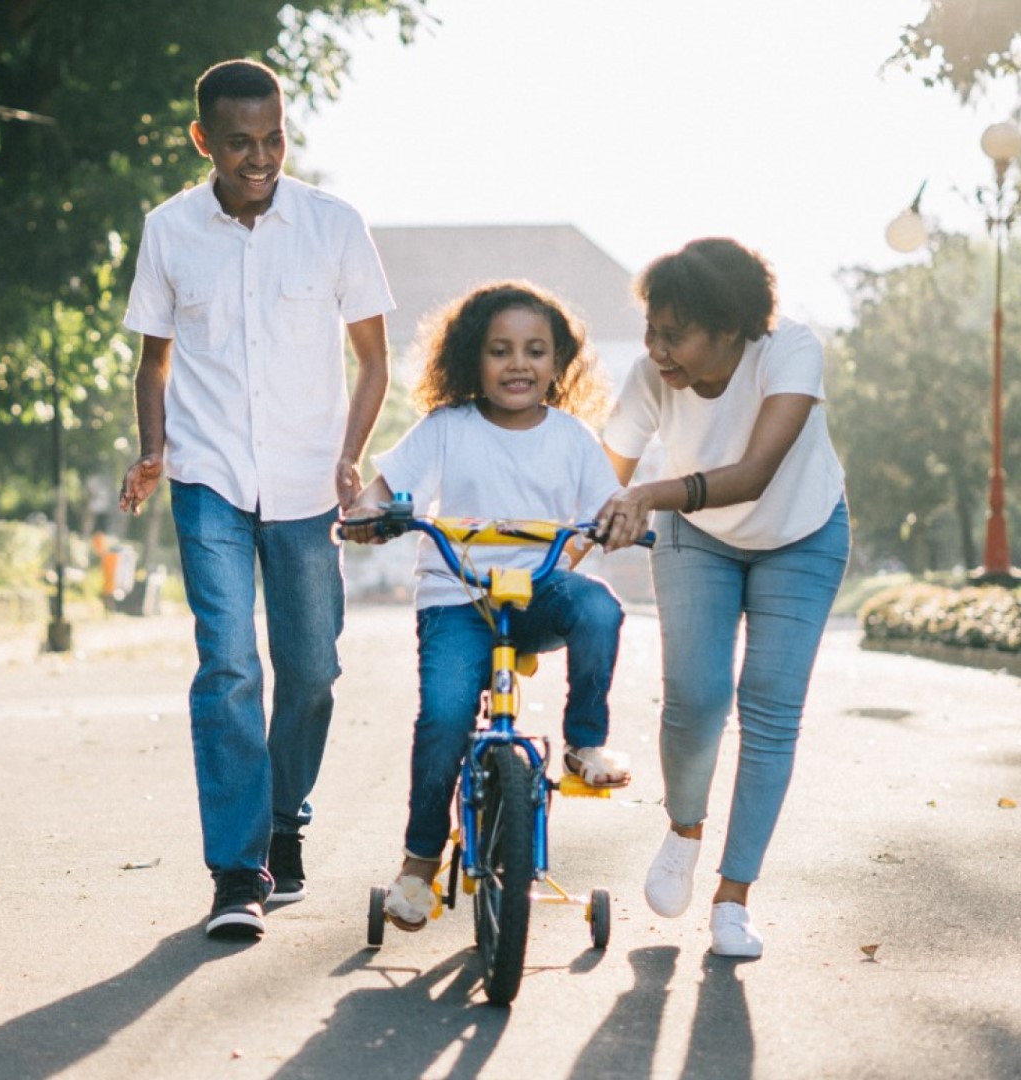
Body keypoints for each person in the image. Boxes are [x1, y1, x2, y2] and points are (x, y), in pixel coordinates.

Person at [118, 58, 394, 940]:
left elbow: (374, 358)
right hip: (208, 480)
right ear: (204, 140)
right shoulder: (169, 230)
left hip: (310, 483)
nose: (261, 157)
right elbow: (153, 359)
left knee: (312, 671)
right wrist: (154, 450)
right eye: (239, 143)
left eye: (273, 138)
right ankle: (237, 872)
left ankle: (284, 822)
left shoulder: (333, 224)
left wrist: (352, 457)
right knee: (230, 665)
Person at [343, 281, 631, 932]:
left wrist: (616, 523)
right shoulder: (447, 428)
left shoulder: (573, 438)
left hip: (536, 593)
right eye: (500, 351)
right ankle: (419, 865)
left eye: (535, 351)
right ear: (474, 358)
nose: (518, 364)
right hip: (457, 598)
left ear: (559, 364)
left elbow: (606, 508)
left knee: (601, 610)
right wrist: (368, 513)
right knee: (445, 717)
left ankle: (585, 744)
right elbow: (384, 489)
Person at [596, 237, 849, 959]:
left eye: (674, 334)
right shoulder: (651, 377)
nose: (656, 349)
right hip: (697, 538)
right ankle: (683, 830)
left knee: (770, 705)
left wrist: (647, 493)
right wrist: (556, 552)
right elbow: (598, 480)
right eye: (651, 329)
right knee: (697, 696)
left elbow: (756, 472)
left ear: (731, 329)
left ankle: (734, 898)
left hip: (801, 532)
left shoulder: (789, 352)